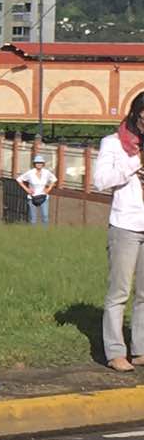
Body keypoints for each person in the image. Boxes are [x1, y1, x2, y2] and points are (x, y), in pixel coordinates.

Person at [92, 92, 144, 372]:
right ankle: (114, 351)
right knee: (119, 291)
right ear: (136, 114)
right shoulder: (113, 144)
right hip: (125, 224)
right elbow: (100, 180)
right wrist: (134, 163)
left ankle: (141, 349)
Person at [16, 154, 57, 225]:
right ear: (34, 164)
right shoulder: (30, 173)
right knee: (33, 218)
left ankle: (45, 233)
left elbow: (54, 179)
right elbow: (19, 179)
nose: (39, 164)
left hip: (44, 197)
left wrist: (49, 188)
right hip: (32, 197)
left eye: (41, 163)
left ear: (43, 164)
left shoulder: (46, 172)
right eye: (37, 162)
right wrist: (27, 189)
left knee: (45, 216)